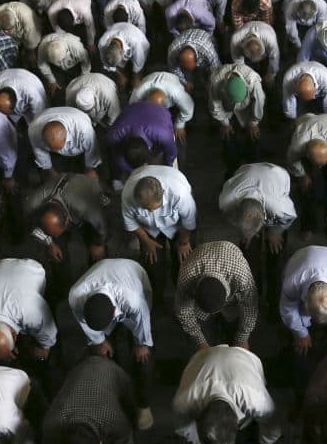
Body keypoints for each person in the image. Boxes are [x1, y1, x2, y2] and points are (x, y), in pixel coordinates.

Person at [171, 345, 280, 444]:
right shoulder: (184, 401)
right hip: (202, 361)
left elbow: (272, 427)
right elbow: (182, 427)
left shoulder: (256, 399)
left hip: (244, 361)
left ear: (238, 422)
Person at [67, 259, 154, 428]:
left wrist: (141, 344)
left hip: (132, 274)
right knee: (101, 351)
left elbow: (142, 319)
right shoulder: (76, 296)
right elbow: (84, 322)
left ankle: (144, 404)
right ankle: (115, 394)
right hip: (103, 274)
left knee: (144, 356)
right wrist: (100, 341)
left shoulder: (133, 300)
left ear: (115, 311)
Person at [43, 356, 141, 444]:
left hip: (110, 372)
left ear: (101, 443)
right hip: (79, 372)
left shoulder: (113, 418)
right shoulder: (52, 422)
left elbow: (124, 435)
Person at [218, 163, 296, 306]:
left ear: (265, 216)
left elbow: (289, 217)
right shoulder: (227, 201)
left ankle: (274, 299)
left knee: (276, 254)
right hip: (245, 172)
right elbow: (233, 218)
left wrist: (275, 233)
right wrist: (246, 234)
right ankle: (252, 295)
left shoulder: (279, 207)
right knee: (248, 255)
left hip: (276, 175)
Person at [0, 258, 57, 371]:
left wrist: (44, 348)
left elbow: (49, 331)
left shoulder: (31, 311)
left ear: (14, 334)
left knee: (42, 355)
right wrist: (2, 351)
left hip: (30, 268)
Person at [121, 165, 195, 301]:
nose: (150, 212)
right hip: (148, 229)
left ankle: (183, 293)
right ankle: (157, 296)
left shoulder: (179, 192)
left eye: (152, 208)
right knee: (152, 262)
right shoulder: (127, 194)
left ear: (163, 194)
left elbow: (189, 220)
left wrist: (184, 242)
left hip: (177, 225)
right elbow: (131, 222)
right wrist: (146, 241)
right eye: (145, 209)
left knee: (183, 260)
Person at [175, 240, 259, 351]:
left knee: (237, 343)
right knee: (199, 347)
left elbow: (250, 307)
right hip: (200, 257)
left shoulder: (241, 276)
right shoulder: (187, 276)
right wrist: (201, 343)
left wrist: (242, 338)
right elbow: (184, 311)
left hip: (230, 259)